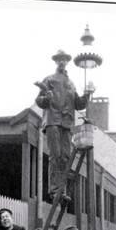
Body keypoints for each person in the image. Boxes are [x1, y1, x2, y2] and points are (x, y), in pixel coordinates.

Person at [35, 49, 89, 201]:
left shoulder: (71, 84)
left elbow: (78, 104)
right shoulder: (49, 79)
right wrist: (47, 98)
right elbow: (39, 101)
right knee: (56, 155)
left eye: (64, 59)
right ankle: (54, 190)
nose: (61, 62)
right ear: (55, 61)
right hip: (53, 121)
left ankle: (62, 191)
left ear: (67, 62)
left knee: (66, 157)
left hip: (66, 122)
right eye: (59, 59)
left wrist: (87, 94)